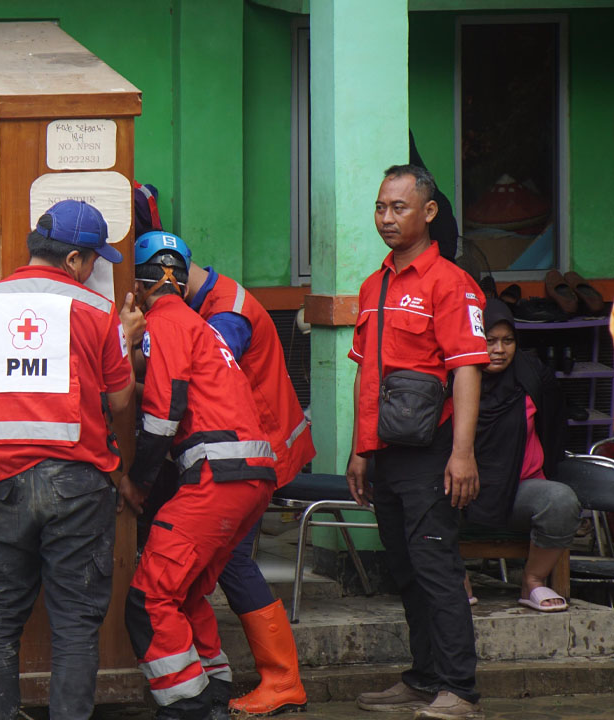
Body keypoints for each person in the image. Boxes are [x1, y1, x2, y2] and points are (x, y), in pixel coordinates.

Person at [0, 199, 134, 720]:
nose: (94, 270)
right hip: (78, 486)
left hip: (2, 482)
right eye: (93, 259)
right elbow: (119, 401)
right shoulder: (98, 312)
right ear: (73, 259)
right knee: (74, 623)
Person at [121, 230, 315, 716]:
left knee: (150, 598)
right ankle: (214, 690)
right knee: (186, 591)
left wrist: (138, 483)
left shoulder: (170, 323)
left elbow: (164, 413)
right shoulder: (198, 320)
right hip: (250, 471)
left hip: (219, 476)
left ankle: (188, 706)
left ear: (140, 289)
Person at [347, 165, 489, 720]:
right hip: (386, 453)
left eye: (398, 207)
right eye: (381, 207)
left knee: (435, 567)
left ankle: (460, 689)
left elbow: (468, 371)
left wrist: (462, 451)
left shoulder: (451, 283)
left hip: (433, 452)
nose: (386, 217)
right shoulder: (372, 285)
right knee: (404, 568)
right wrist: (361, 450)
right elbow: (365, 376)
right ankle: (424, 677)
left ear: (428, 213)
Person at [464, 298, 579, 612]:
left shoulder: (532, 375)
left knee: (561, 500)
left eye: (508, 340)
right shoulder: (455, 378)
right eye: (489, 341)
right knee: (421, 494)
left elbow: (553, 430)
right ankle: (453, 577)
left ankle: (532, 582)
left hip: (520, 489)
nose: (499, 349)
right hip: (465, 491)